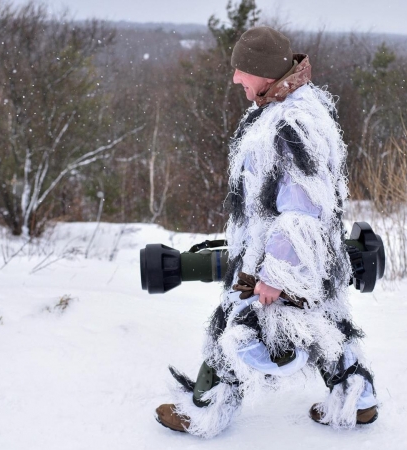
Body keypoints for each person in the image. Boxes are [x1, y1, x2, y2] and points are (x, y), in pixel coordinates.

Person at [155, 26, 377, 438]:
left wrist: (274, 274)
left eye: (242, 69)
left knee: (234, 321)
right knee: (326, 317)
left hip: (277, 257)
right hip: (312, 255)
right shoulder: (288, 108)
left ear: (264, 71)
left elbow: (301, 210)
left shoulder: (292, 123)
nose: (236, 78)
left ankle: (205, 409)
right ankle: (357, 400)